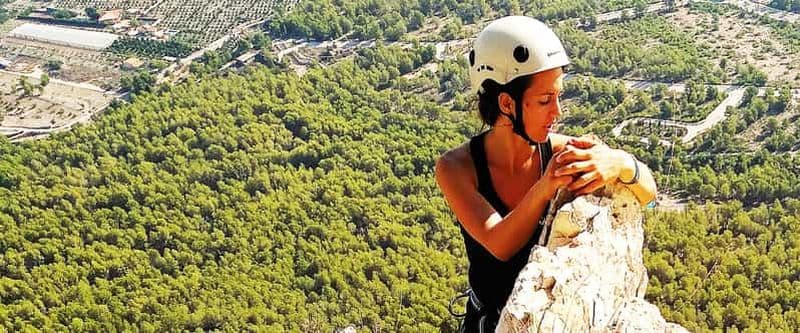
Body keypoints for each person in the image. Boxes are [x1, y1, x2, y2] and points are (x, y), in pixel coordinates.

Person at [435, 16, 658, 332]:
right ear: (507, 103)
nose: (558, 111)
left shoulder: (560, 153)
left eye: (558, 96)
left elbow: (649, 197)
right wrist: (545, 186)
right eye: (545, 100)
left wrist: (622, 164)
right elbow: (500, 244)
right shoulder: (457, 168)